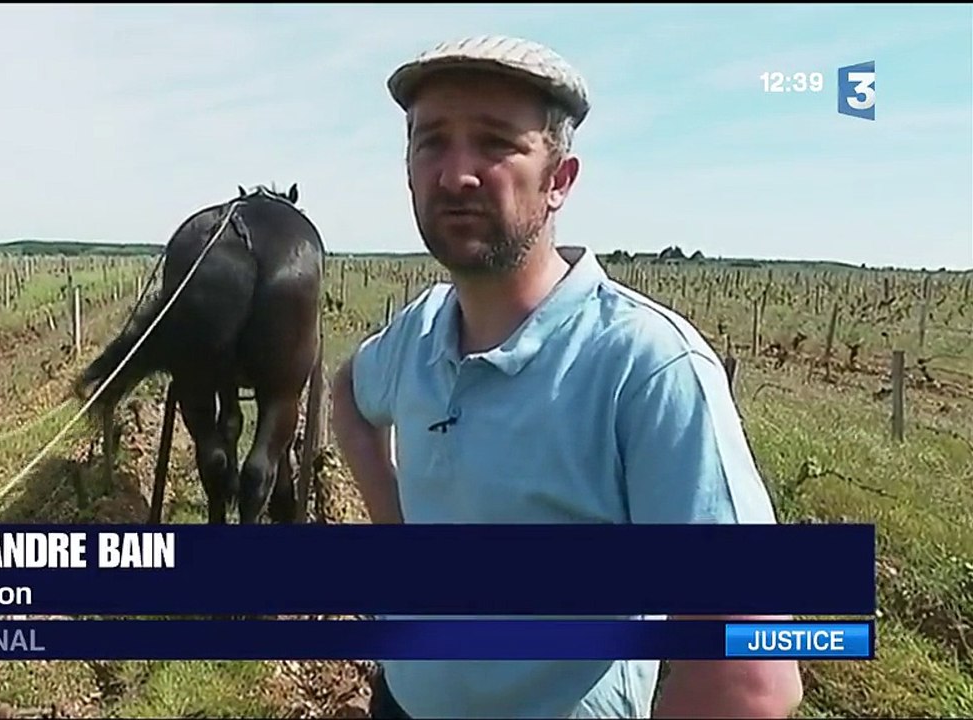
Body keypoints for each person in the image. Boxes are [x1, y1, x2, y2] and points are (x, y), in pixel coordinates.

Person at [330, 35, 804, 719]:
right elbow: (348, 394)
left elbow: (750, 680)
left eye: (495, 143)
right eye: (431, 141)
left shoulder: (645, 368)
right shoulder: (418, 330)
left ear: (560, 181)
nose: (456, 173)